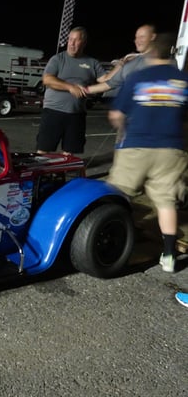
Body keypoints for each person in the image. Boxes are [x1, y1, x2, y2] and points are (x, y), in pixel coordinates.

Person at [106, 32, 188, 273]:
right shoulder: (183, 80)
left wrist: (122, 129)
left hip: (137, 146)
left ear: (152, 51)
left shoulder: (138, 77)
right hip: (171, 150)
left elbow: (116, 114)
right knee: (165, 202)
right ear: (172, 52)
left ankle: (113, 239)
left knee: (117, 194)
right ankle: (170, 255)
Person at [35, 27, 109, 155]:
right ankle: (41, 174)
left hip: (76, 115)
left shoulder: (92, 62)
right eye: (70, 39)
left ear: (84, 43)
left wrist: (120, 66)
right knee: (43, 150)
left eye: (76, 40)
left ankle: (65, 173)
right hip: (53, 111)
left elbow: (106, 79)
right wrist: (70, 87)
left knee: (69, 153)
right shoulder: (58, 59)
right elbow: (47, 79)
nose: (71, 43)